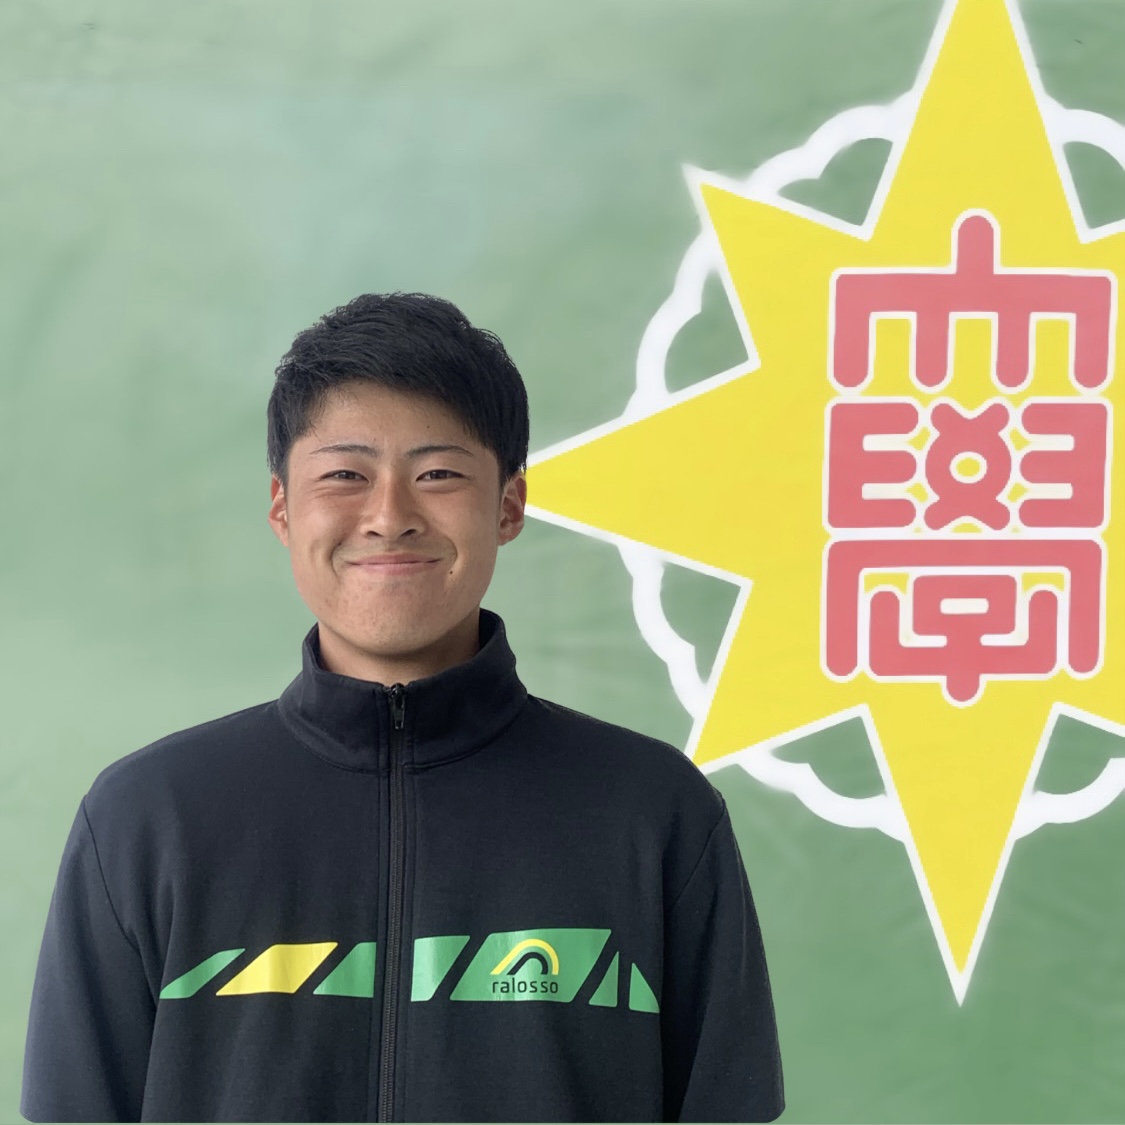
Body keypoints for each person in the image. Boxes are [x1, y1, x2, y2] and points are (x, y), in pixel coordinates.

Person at [21, 293, 784, 1123]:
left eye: (438, 474)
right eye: (345, 475)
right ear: (282, 507)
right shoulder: (148, 816)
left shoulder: (652, 811)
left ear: (509, 505)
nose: (389, 516)